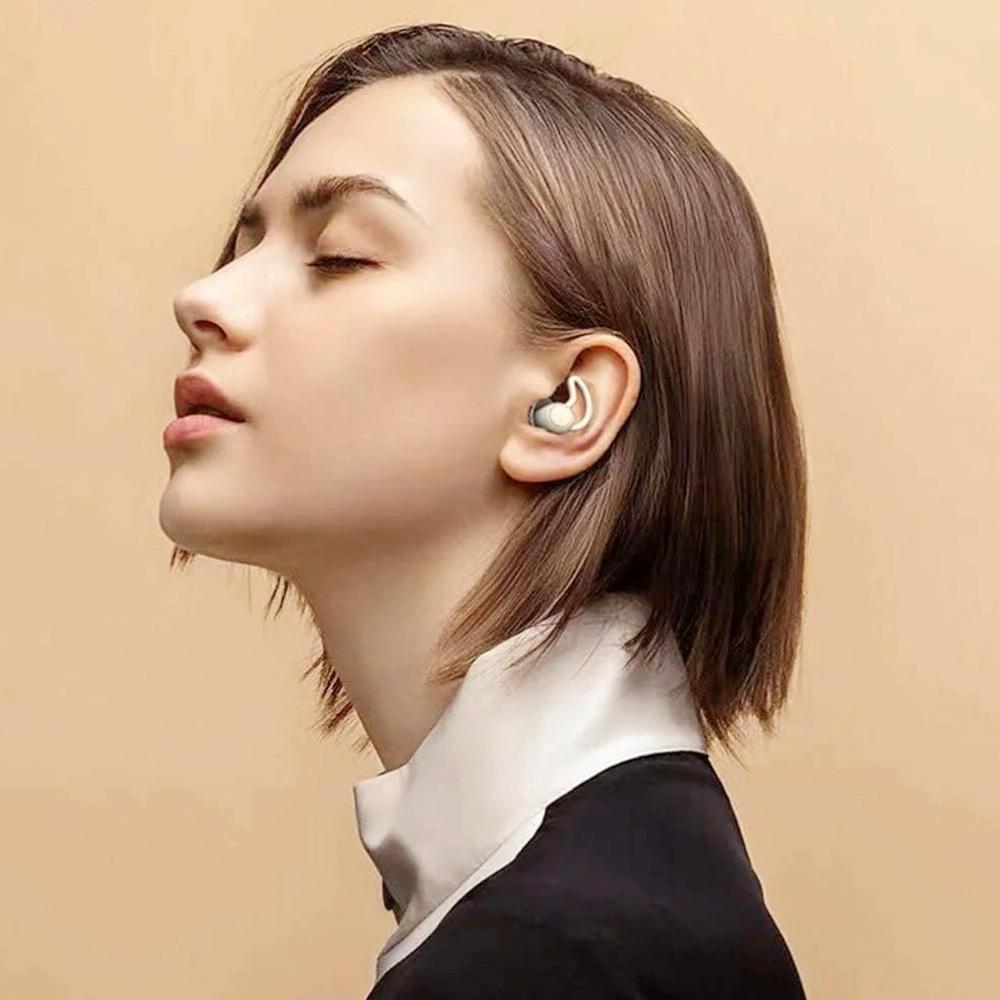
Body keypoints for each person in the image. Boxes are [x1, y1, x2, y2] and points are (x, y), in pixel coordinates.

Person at [159, 22, 809, 999]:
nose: (202, 297)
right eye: (243, 246)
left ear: (565, 402)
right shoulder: (603, 910)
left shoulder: (562, 959)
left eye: (337, 255)